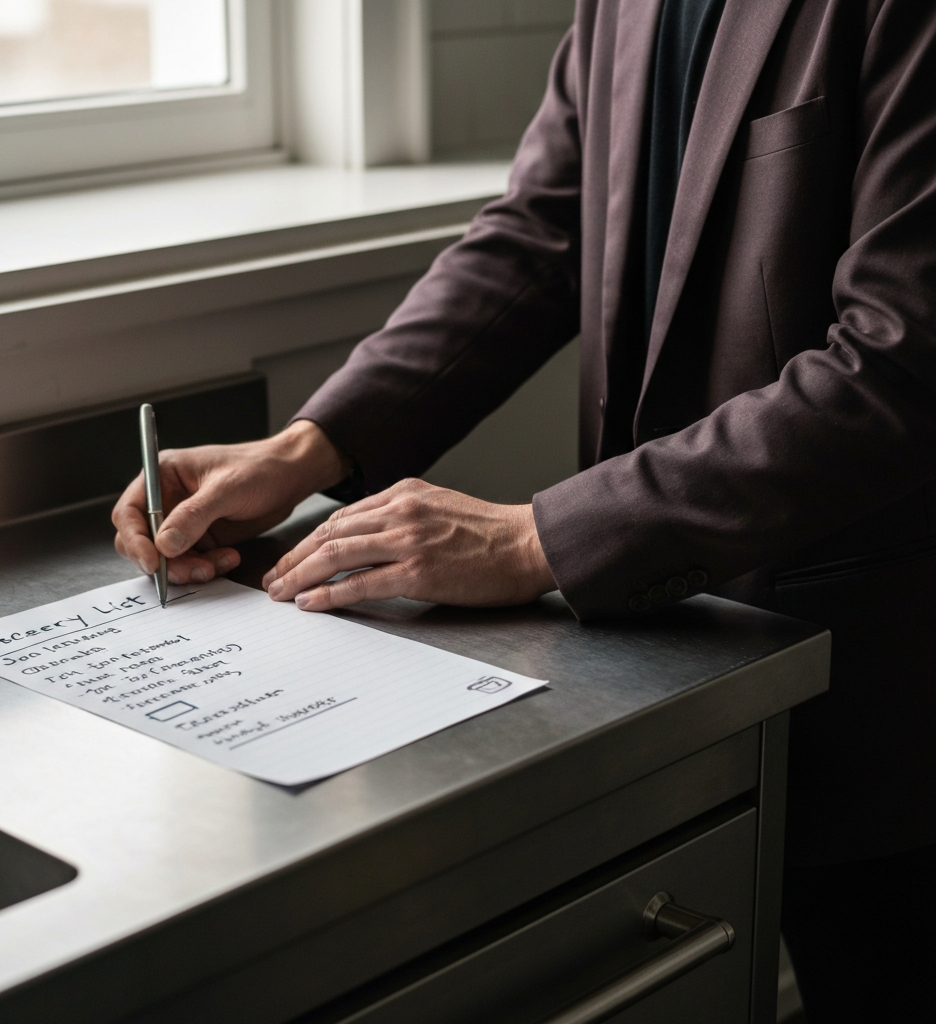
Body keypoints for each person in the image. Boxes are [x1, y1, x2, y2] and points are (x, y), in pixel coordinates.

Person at [114, 0, 935, 1018]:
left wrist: (534, 537)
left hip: (886, 683)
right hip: (679, 649)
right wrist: (310, 448)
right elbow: (538, 232)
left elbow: (900, 371)